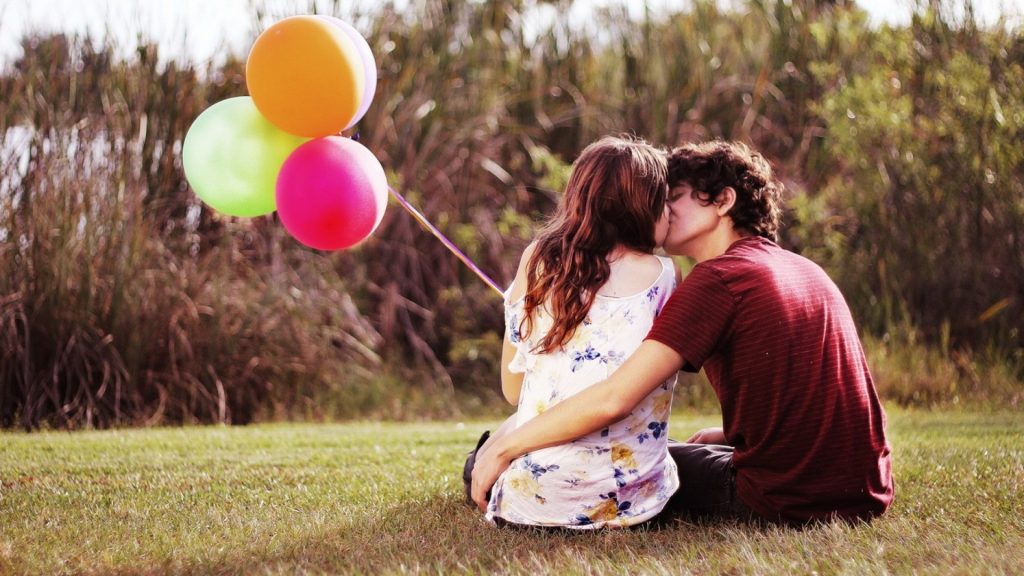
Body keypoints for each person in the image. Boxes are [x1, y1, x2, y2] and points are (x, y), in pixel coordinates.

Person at [471, 140, 894, 525]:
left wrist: (506, 446)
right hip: (865, 489)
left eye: (673, 197)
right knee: (670, 447)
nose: (664, 209)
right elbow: (821, 398)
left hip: (782, 499)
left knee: (616, 457)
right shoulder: (800, 268)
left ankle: (487, 457)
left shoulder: (718, 280)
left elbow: (615, 398)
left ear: (723, 201)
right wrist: (729, 437)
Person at [464, 135, 683, 529]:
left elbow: (513, 392)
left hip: (534, 501)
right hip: (634, 502)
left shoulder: (537, 259)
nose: (670, 213)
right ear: (642, 206)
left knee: (490, 447)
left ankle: (484, 462)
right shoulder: (666, 275)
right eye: (663, 201)